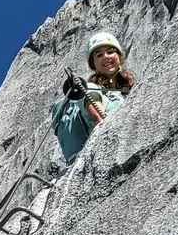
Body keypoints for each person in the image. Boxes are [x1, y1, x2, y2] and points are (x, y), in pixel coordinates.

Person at [51, 31, 138, 164]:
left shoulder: (130, 90)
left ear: (119, 57)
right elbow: (98, 118)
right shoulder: (89, 88)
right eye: (99, 55)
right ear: (93, 64)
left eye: (110, 52)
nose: (105, 57)